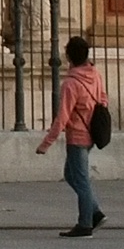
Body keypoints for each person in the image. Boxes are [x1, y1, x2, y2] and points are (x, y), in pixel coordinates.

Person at [36, 35, 106, 237]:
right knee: (71, 174)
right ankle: (95, 212)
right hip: (91, 132)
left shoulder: (71, 83)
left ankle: (86, 223)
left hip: (77, 136)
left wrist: (46, 143)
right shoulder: (95, 75)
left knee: (81, 179)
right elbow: (103, 99)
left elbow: (63, 117)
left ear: (69, 56)